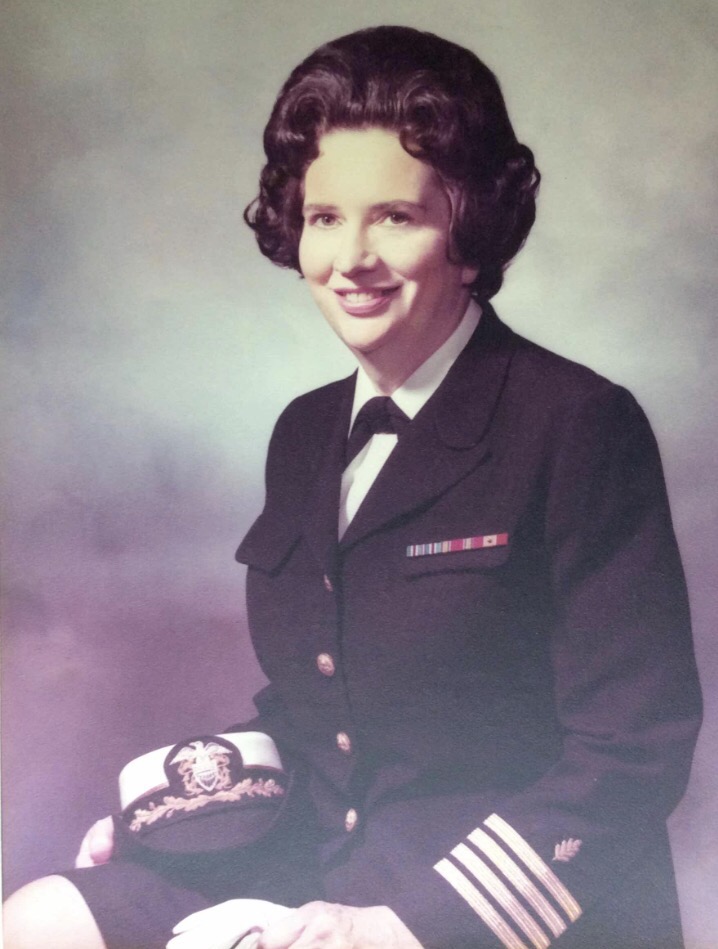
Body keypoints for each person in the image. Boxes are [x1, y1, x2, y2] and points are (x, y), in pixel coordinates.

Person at [3, 25, 702, 949]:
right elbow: (315, 710)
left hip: (490, 911)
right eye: (326, 217)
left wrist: (396, 929)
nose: (350, 260)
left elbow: (631, 752)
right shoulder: (305, 432)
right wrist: (169, 822)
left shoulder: (576, 423)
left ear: (469, 232)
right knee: (43, 921)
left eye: (395, 217)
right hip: (327, 865)